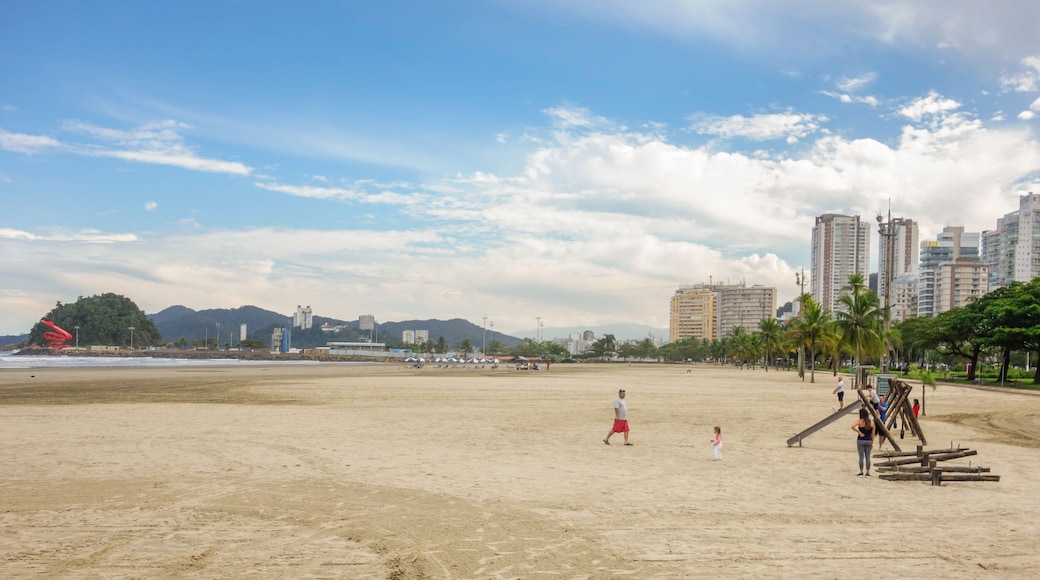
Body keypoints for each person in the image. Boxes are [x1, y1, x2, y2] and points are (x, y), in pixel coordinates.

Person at [852, 408, 875, 477]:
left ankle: (861, 472)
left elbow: (852, 426)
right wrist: (872, 442)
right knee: (868, 457)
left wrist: (859, 432)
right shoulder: (872, 422)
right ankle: (868, 473)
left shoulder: (860, 421)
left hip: (861, 440)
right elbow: (873, 434)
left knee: (861, 457)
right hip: (869, 440)